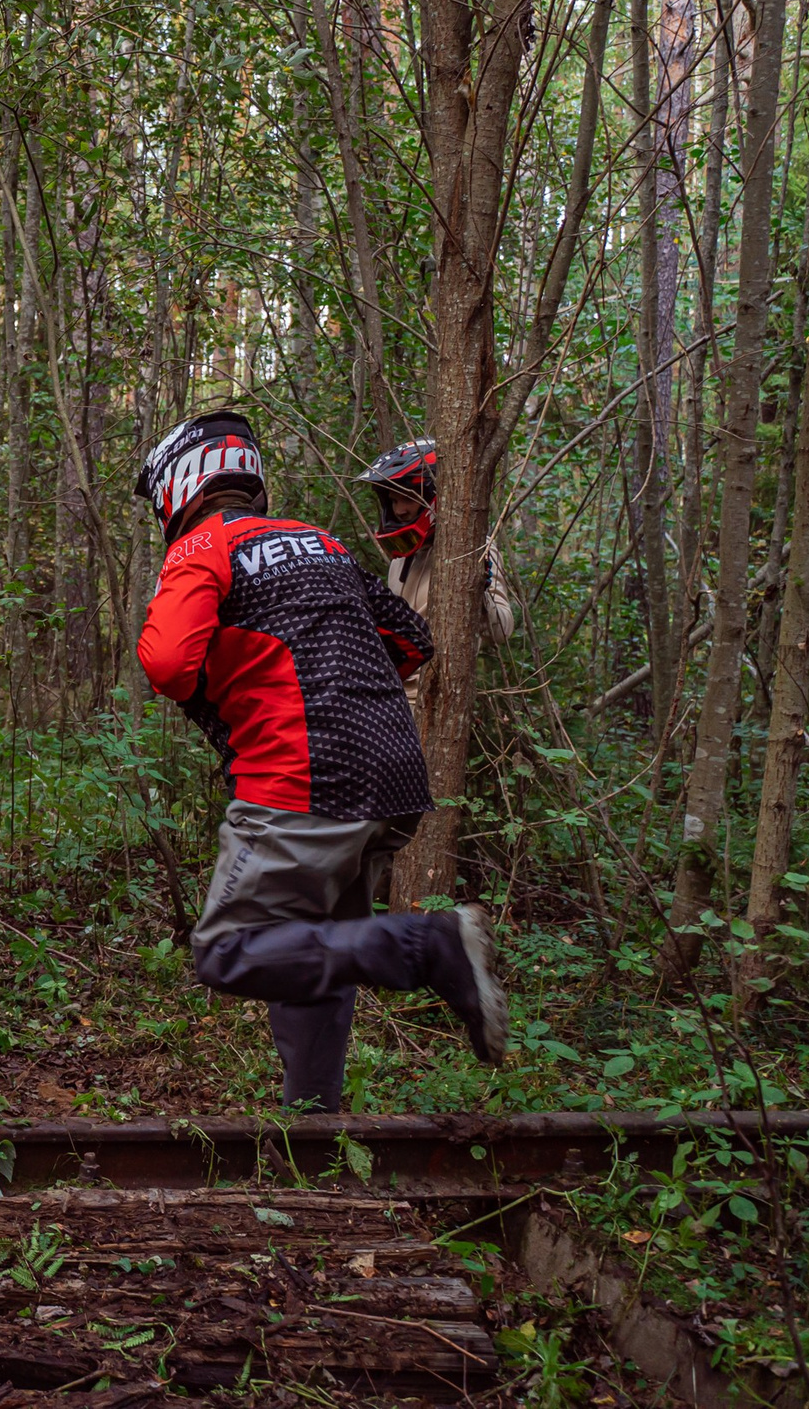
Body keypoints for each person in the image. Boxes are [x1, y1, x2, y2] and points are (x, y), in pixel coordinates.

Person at [133, 411, 508, 1111]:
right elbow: (408, 638)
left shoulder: (204, 545)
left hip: (300, 775)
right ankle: (312, 1129)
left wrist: (226, 685)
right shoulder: (321, 542)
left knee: (226, 951)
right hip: (390, 772)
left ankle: (429, 946)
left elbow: (166, 659)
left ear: (183, 486)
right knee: (319, 954)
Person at [357, 438, 517, 728]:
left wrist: (479, 583)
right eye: (393, 500)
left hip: (435, 703)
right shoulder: (400, 559)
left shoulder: (475, 548)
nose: (399, 510)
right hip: (390, 700)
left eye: (406, 496)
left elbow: (502, 629)